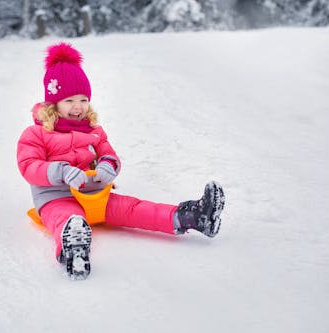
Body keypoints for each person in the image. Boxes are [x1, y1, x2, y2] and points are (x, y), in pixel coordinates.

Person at [17, 43, 225, 280]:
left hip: (96, 196)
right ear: (53, 104)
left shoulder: (95, 131)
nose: (78, 107)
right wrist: (61, 171)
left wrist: (108, 166)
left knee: (133, 207)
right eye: (69, 100)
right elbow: (29, 166)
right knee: (66, 219)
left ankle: (193, 217)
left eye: (84, 99)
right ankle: (73, 248)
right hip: (57, 198)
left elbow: (110, 155)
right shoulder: (36, 134)